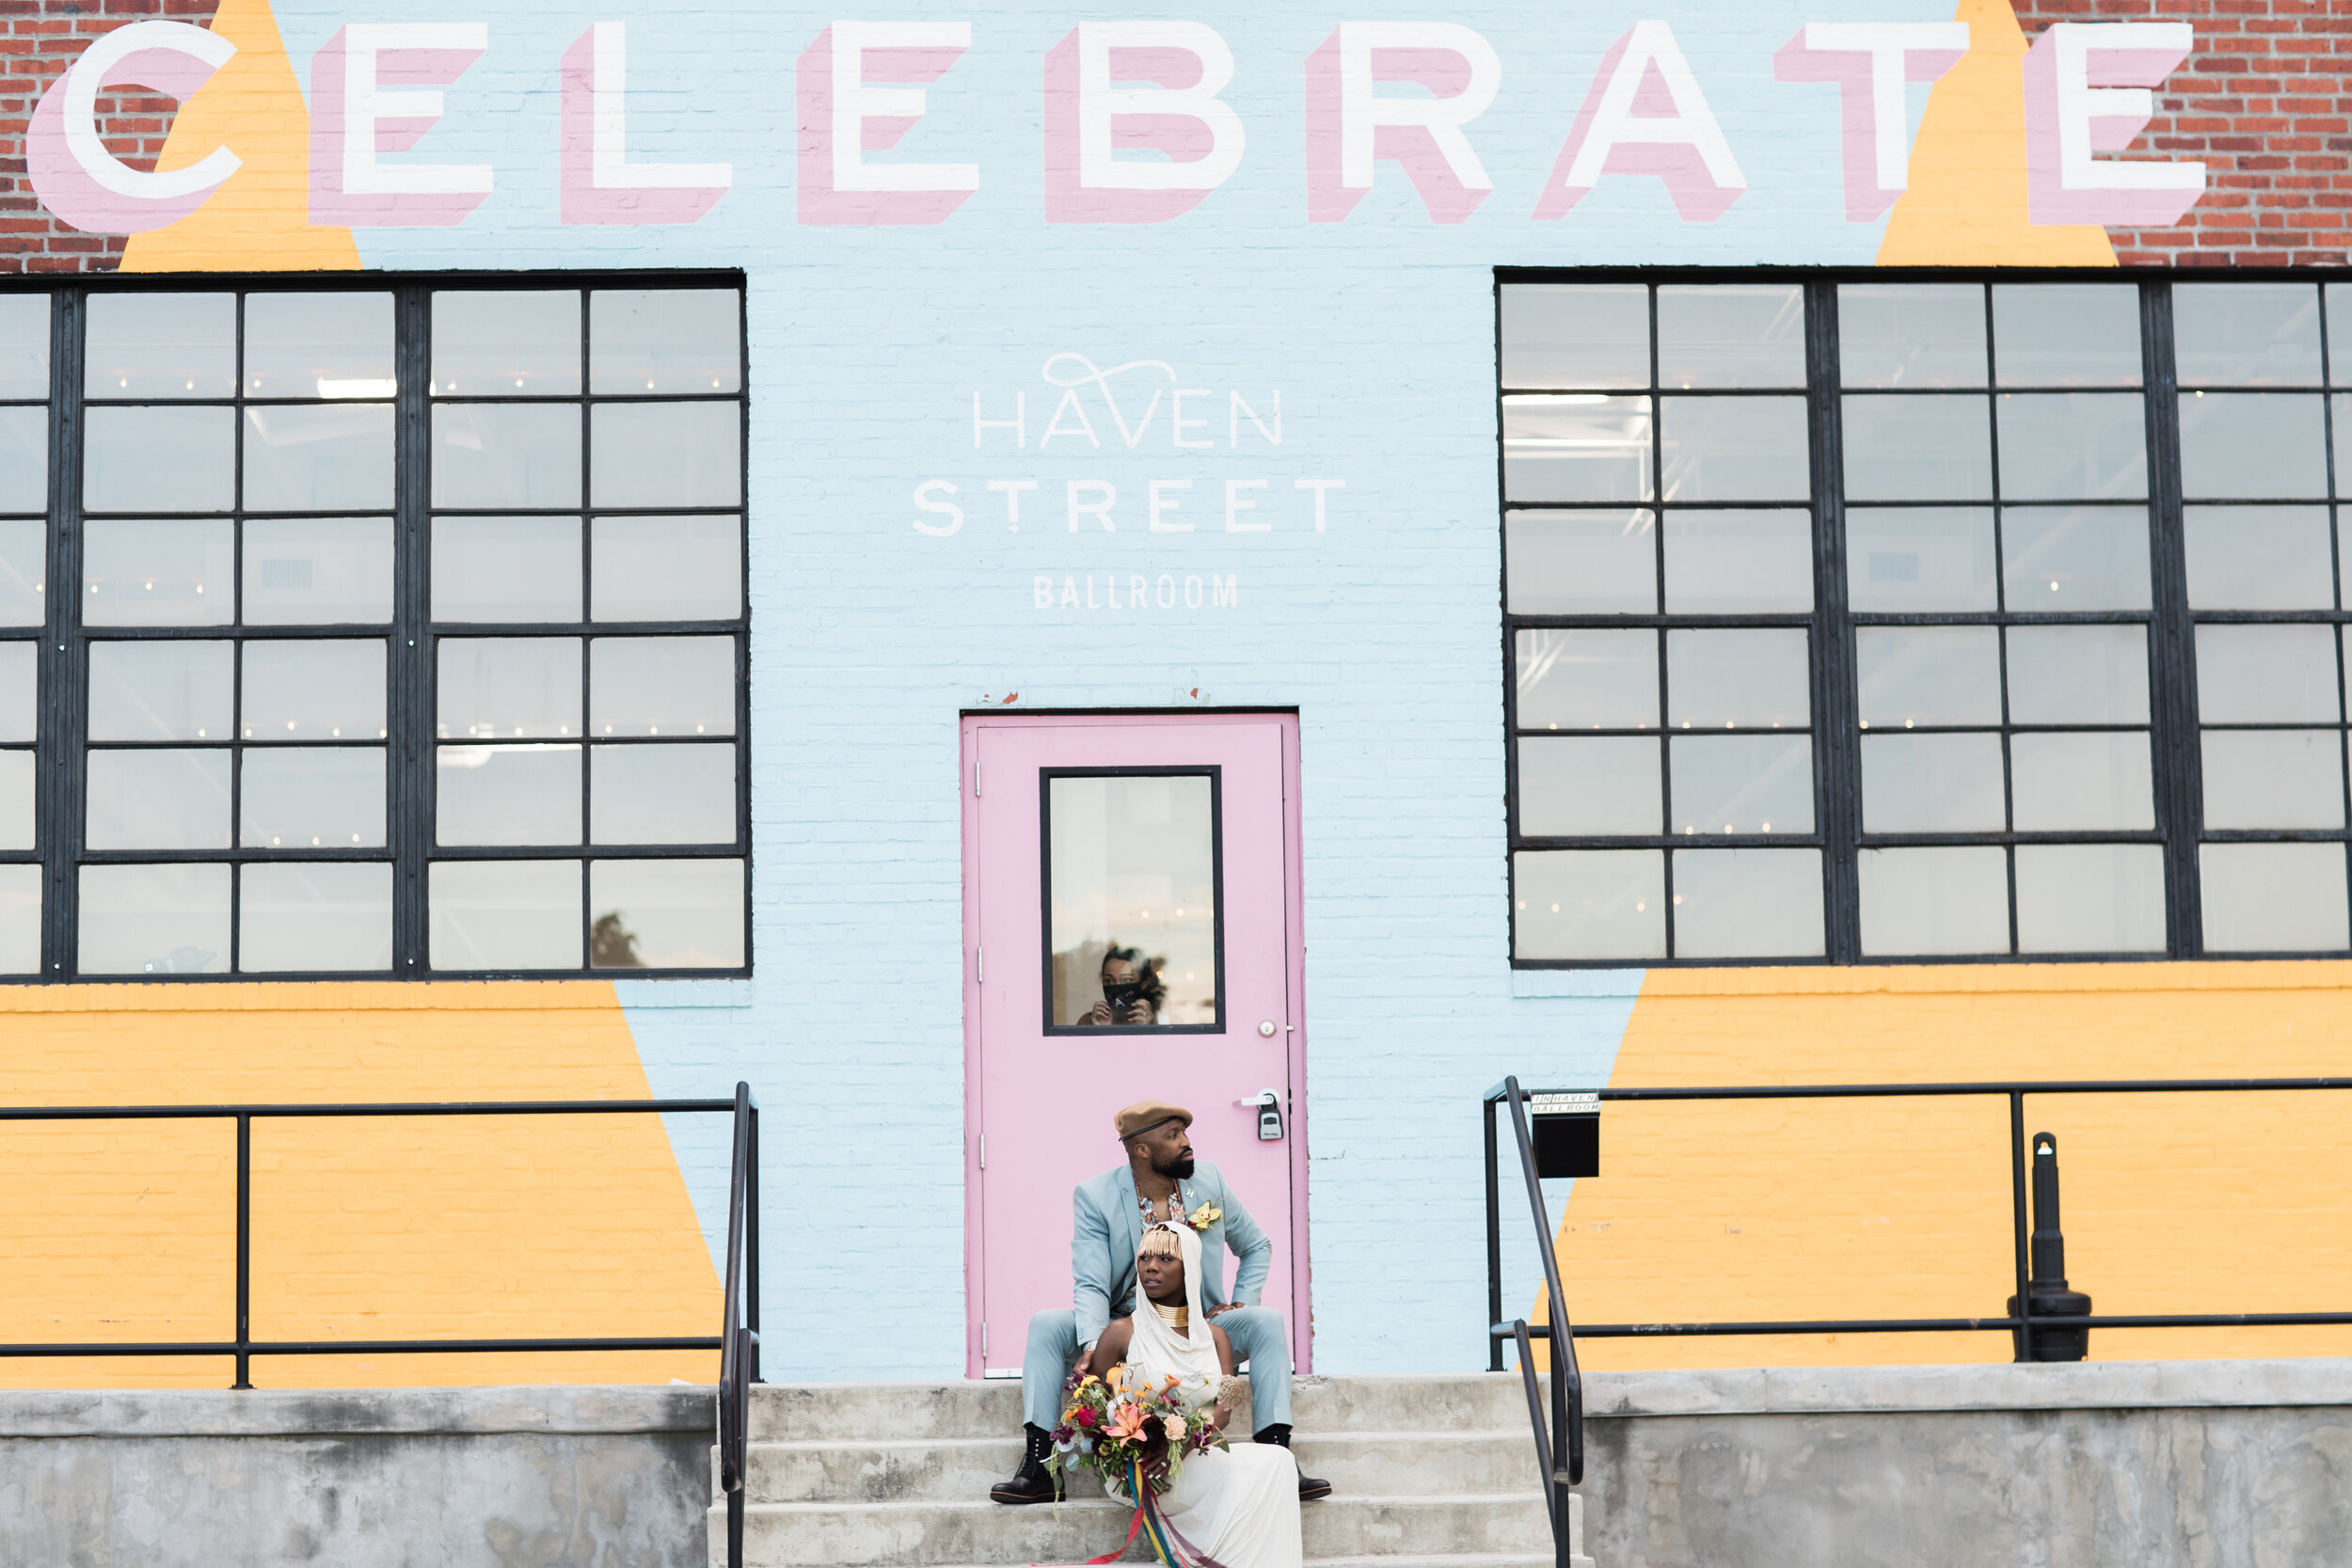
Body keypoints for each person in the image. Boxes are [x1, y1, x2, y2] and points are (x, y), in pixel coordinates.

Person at [992, 1101, 1329, 1503]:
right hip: (1126, 1324)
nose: (1187, 1143)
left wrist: (1239, 1303)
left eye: (1185, 1133)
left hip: (1196, 1324)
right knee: (1047, 1323)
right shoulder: (1096, 1196)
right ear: (1142, 1150)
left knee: (1267, 1320)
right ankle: (1040, 1465)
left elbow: (1257, 1245)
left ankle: (1278, 1458)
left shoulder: (1209, 1181)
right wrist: (1095, 1346)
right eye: (1173, 1136)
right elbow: (1092, 1283)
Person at [1078, 1221, 1303, 1568]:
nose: (1151, 1267)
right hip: (1144, 1469)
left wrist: (1183, 1445)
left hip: (1196, 1452)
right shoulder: (1121, 1332)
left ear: (1190, 1269)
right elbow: (1090, 1410)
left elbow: (1222, 1410)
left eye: (1166, 1259)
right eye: (1145, 1258)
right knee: (1248, 1475)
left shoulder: (1214, 1337)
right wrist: (1129, 1449)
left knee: (1279, 1460)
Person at [1078, 947, 1165, 1026]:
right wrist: (1097, 1030)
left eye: (1127, 980)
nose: (1117, 986)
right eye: (1109, 981)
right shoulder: (1088, 1021)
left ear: (1144, 984)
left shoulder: (1157, 1021)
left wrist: (1146, 1029)